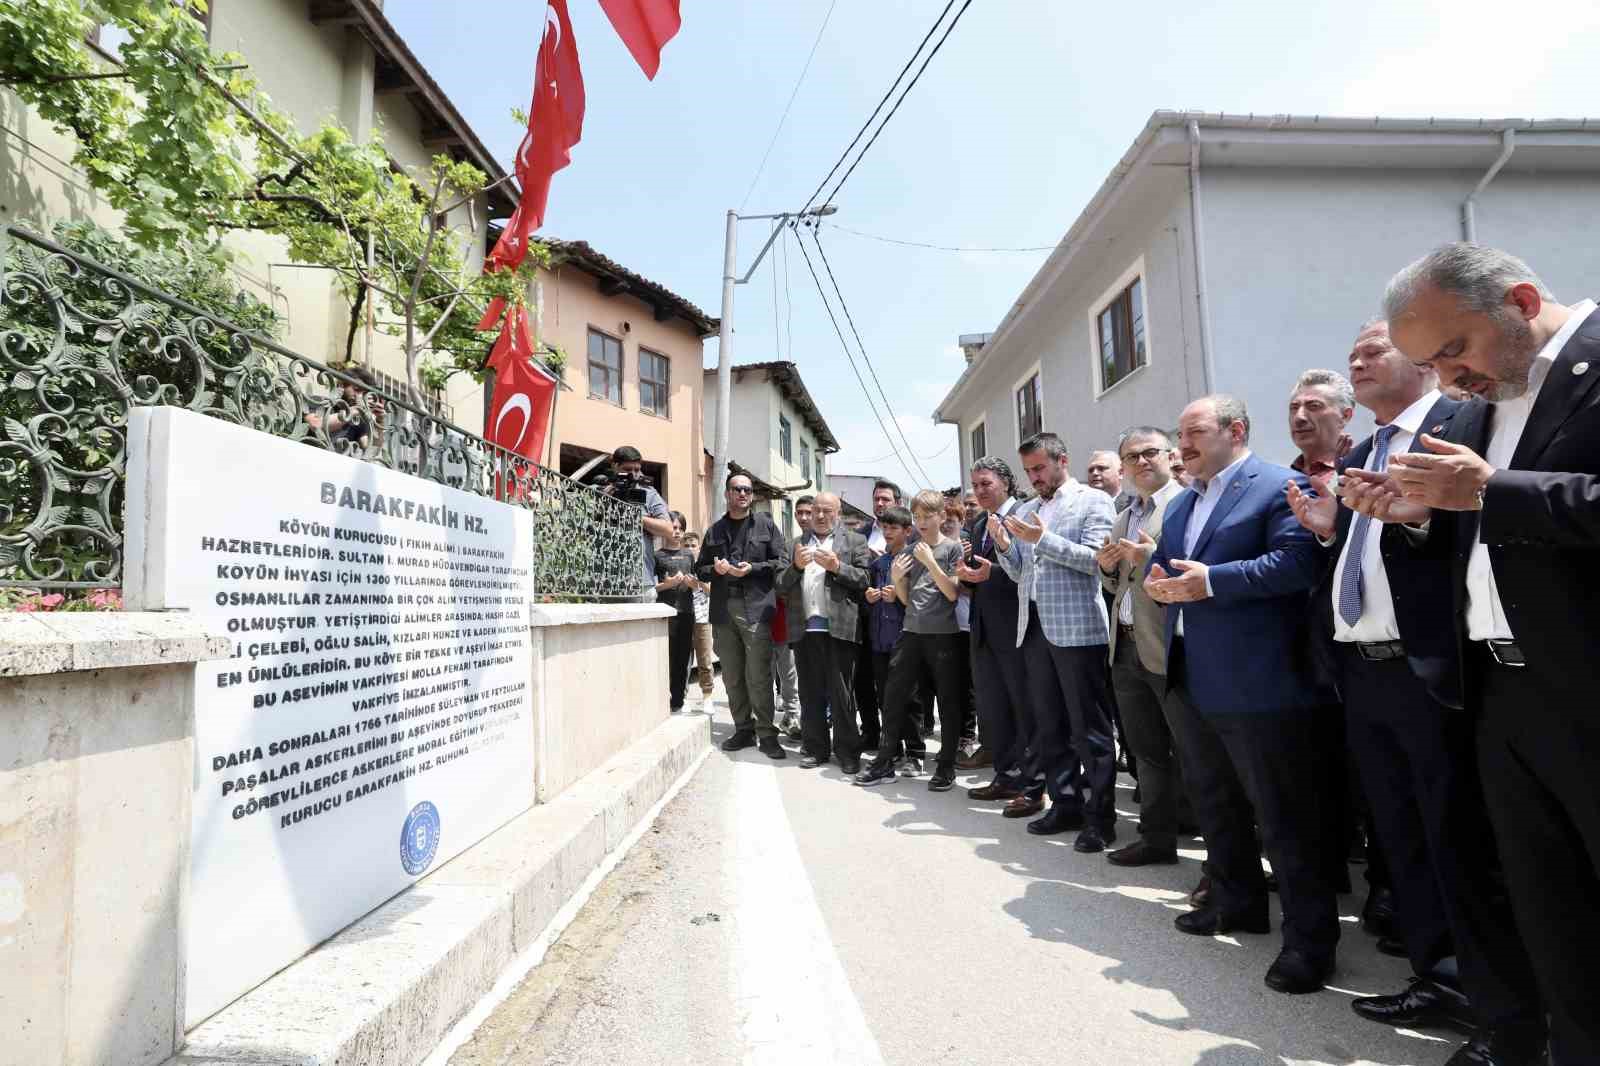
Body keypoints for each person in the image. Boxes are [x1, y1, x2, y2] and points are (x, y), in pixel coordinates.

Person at [1287, 315, 1545, 1066]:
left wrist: (1423, 523)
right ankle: (1436, 975)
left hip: (1430, 669)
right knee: (1402, 840)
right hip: (1364, 672)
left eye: (1372, 350)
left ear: (1422, 362)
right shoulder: (1367, 450)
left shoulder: (1461, 424)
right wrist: (1335, 532)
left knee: (1460, 841)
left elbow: (1457, 542)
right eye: (1352, 355)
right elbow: (1381, 550)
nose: (1358, 362)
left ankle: (1500, 1008)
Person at [1375, 242, 1599, 1065]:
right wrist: (1421, 518)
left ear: (1523, 300)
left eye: (1454, 351)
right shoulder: (1476, 408)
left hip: (1587, 686)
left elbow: (1517, 504)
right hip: (1501, 698)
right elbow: (1483, 541)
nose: (1448, 380)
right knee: (1554, 924)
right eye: (1429, 364)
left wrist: (1491, 491)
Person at [1145, 394, 1339, 995]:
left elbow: (1298, 564)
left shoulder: (1277, 485)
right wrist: (1159, 585)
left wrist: (1211, 584)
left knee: (1284, 818)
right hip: (1194, 679)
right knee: (1215, 803)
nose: (1183, 445)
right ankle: (1237, 902)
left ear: (1235, 429)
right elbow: (1163, 569)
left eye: (1194, 432)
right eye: (1179, 434)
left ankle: (1310, 943)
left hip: (1262, 683)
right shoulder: (1180, 505)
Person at [989, 432, 1119, 851]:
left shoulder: (1093, 501)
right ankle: (1065, 804)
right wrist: (1007, 549)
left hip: (1078, 631)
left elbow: (1095, 561)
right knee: (1050, 727)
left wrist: (1041, 539)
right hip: (1035, 630)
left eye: (1039, 468)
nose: (1034, 477)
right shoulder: (1028, 508)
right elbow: (1020, 575)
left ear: (1062, 460)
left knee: (1089, 729)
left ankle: (1100, 817)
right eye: (1028, 471)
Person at [1097, 427, 1188, 866]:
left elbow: (1191, 573)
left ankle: (1219, 856)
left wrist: (1149, 559)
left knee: (1194, 754)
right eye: (1131, 457)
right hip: (1127, 646)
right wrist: (1106, 568)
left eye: (1149, 453)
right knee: (1145, 751)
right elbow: (1118, 586)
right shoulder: (1124, 515)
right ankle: (1157, 838)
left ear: (1170, 456)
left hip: (1171, 648)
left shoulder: (1185, 504)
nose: (1140, 462)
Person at [855, 491, 966, 791]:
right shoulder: (910, 550)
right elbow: (905, 600)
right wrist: (898, 578)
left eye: (927, 516)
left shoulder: (953, 549)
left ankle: (945, 768)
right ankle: (883, 762)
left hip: (943, 635)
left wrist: (930, 562)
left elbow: (953, 593)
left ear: (942, 517)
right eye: (917, 517)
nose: (921, 522)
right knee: (892, 698)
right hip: (911, 632)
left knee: (947, 701)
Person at [955, 457, 1040, 808]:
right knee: (995, 709)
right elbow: (978, 573)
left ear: (1006, 482)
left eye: (985, 483)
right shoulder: (977, 524)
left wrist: (994, 574)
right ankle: (1004, 776)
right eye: (975, 486)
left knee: (1025, 707)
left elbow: (1030, 570)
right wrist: (965, 573)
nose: (979, 491)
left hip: (1018, 626)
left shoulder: (1025, 514)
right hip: (984, 627)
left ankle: (1032, 782)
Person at [695, 472, 789, 759]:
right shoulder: (715, 530)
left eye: (747, 489)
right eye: (737, 489)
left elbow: (781, 562)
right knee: (733, 675)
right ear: (727, 494)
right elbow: (700, 569)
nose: (743, 494)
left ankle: (767, 733)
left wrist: (753, 568)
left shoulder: (766, 525)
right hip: (724, 609)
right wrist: (717, 570)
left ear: (752, 495)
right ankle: (744, 729)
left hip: (757, 608)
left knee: (759, 674)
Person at [776, 492, 870, 773]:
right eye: (815, 509)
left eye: (826, 510)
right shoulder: (794, 544)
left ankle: (847, 752)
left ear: (838, 513)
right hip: (805, 630)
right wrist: (796, 567)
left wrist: (837, 567)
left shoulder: (855, 541)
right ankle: (815, 748)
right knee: (810, 692)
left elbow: (865, 579)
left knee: (842, 696)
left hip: (839, 630)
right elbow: (780, 584)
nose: (818, 515)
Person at [862, 506, 928, 771]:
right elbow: (866, 602)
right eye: (885, 528)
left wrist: (898, 595)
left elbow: (920, 601)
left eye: (894, 528)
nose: (888, 532)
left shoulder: (916, 559)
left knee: (910, 698)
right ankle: (894, 749)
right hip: (879, 640)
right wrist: (868, 597)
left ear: (907, 531)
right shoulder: (878, 564)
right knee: (885, 698)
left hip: (905, 639)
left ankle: (916, 752)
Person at [771, 497, 811, 739]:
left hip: (810, 621)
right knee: (785, 672)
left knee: (797, 673)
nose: (804, 517)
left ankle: (802, 715)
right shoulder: (787, 548)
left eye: (809, 512)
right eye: (800, 512)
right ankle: (790, 715)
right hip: (782, 619)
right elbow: (781, 583)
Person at [653, 511, 698, 713]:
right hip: (665, 613)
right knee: (666, 657)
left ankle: (678, 700)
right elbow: (652, 588)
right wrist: (668, 584)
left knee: (683, 658)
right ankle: (663, 697)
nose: (677, 531)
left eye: (680, 528)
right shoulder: (657, 556)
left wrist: (691, 583)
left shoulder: (689, 555)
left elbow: (698, 584)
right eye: (674, 527)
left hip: (687, 612)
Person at [612, 445, 675, 587]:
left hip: (640, 580)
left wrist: (637, 517)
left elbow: (667, 529)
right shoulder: (604, 490)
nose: (634, 475)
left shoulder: (649, 493)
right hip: (606, 580)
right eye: (628, 470)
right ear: (615, 466)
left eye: (637, 469)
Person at [1288, 370, 1356, 478]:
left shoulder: (1364, 471)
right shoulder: (1279, 479)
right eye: (1294, 408)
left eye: (1314, 406)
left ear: (1344, 416)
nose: (1299, 417)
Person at [682, 531, 716, 705]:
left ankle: (707, 695)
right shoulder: (680, 565)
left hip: (703, 617)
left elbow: (713, 591)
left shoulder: (703, 567)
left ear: (699, 548)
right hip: (683, 617)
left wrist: (697, 585)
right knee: (682, 660)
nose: (689, 549)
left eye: (693, 545)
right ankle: (682, 696)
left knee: (704, 659)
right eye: (686, 545)